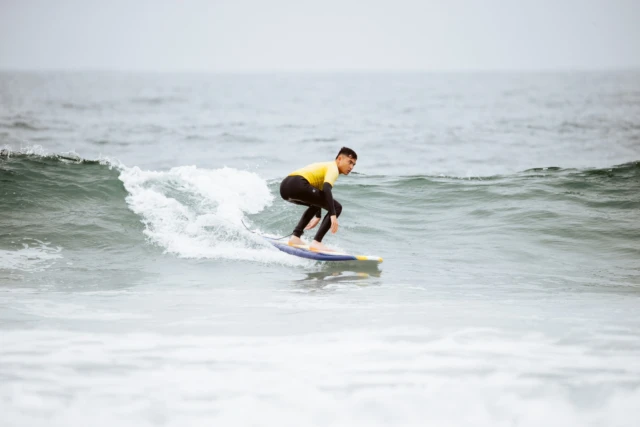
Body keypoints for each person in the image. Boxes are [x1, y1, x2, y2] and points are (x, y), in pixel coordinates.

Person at [279, 147, 357, 252]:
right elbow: (326, 189)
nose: (351, 167)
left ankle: (295, 237)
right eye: (350, 162)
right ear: (339, 159)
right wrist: (333, 214)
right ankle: (317, 242)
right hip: (298, 184)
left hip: (285, 187)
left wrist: (318, 215)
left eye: (353, 164)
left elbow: (317, 196)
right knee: (337, 207)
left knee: (317, 203)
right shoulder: (333, 168)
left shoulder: (325, 166)